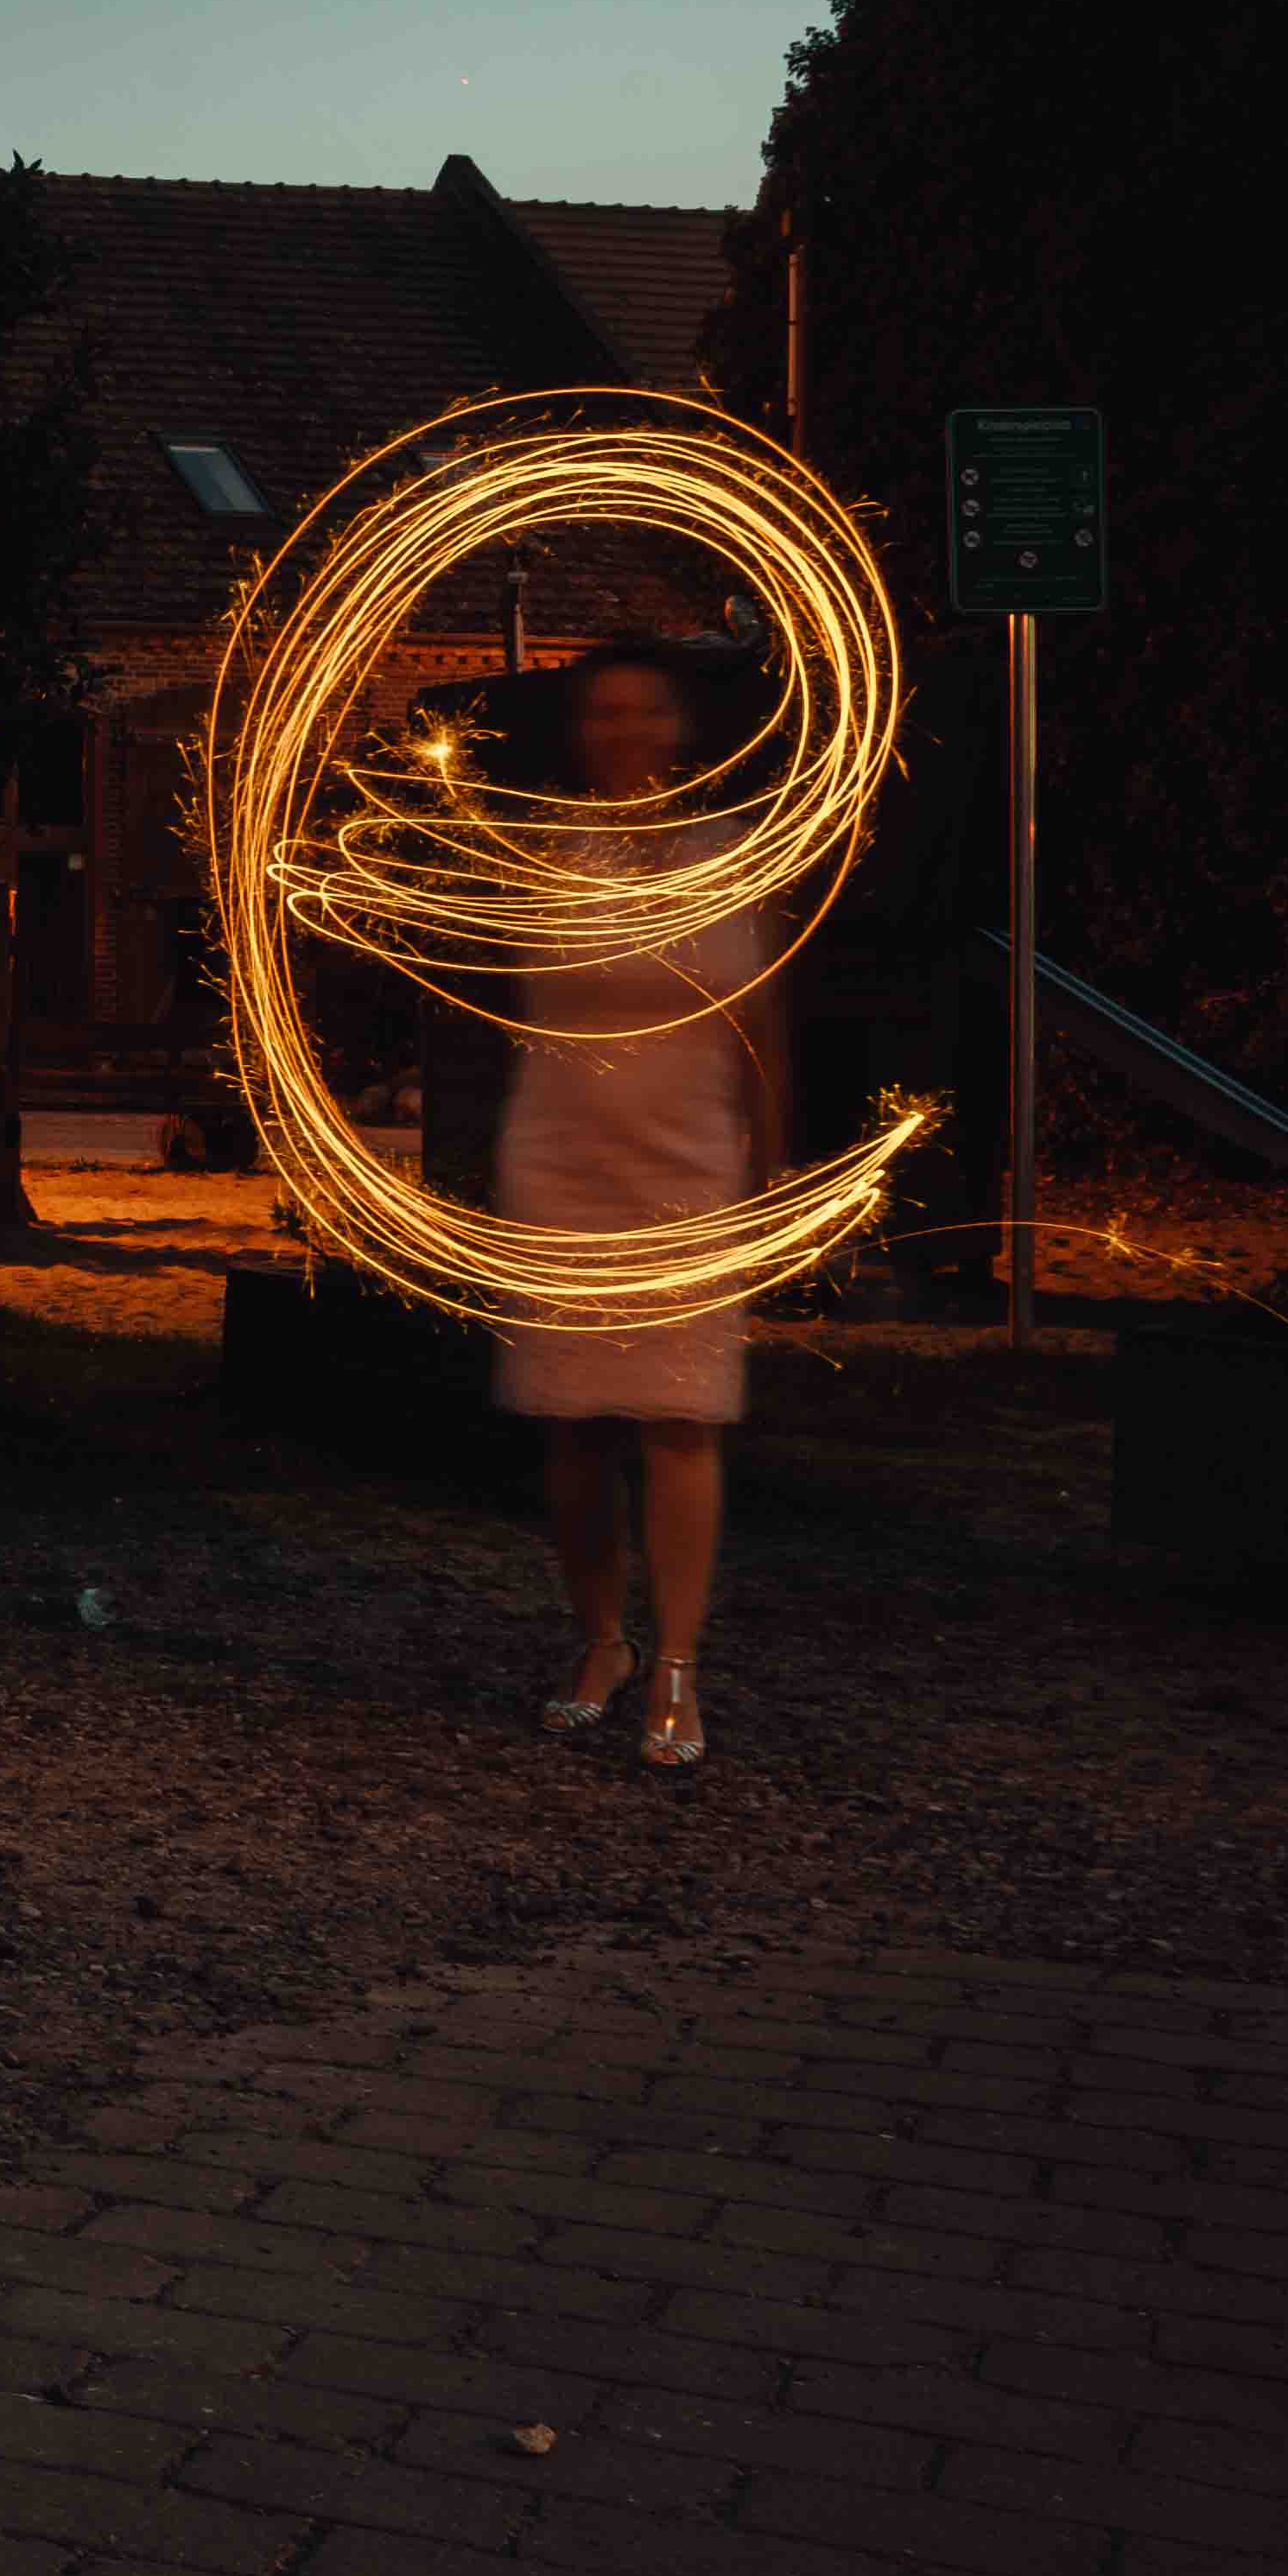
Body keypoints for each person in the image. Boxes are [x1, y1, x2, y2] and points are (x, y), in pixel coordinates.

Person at [506, 642, 786, 1771]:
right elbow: (506, 1010)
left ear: (682, 726)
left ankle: (676, 1664)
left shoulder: (729, 857)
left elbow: (761, 1031)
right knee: (574, 1426)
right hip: (562, 1159)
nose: (626, 731)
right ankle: (601, 1643)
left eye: (646, 710)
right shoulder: (546, 853)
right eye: (604, 713)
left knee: (680, 1421)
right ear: (582, 733)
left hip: (685, 1168)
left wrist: (770, 1175)